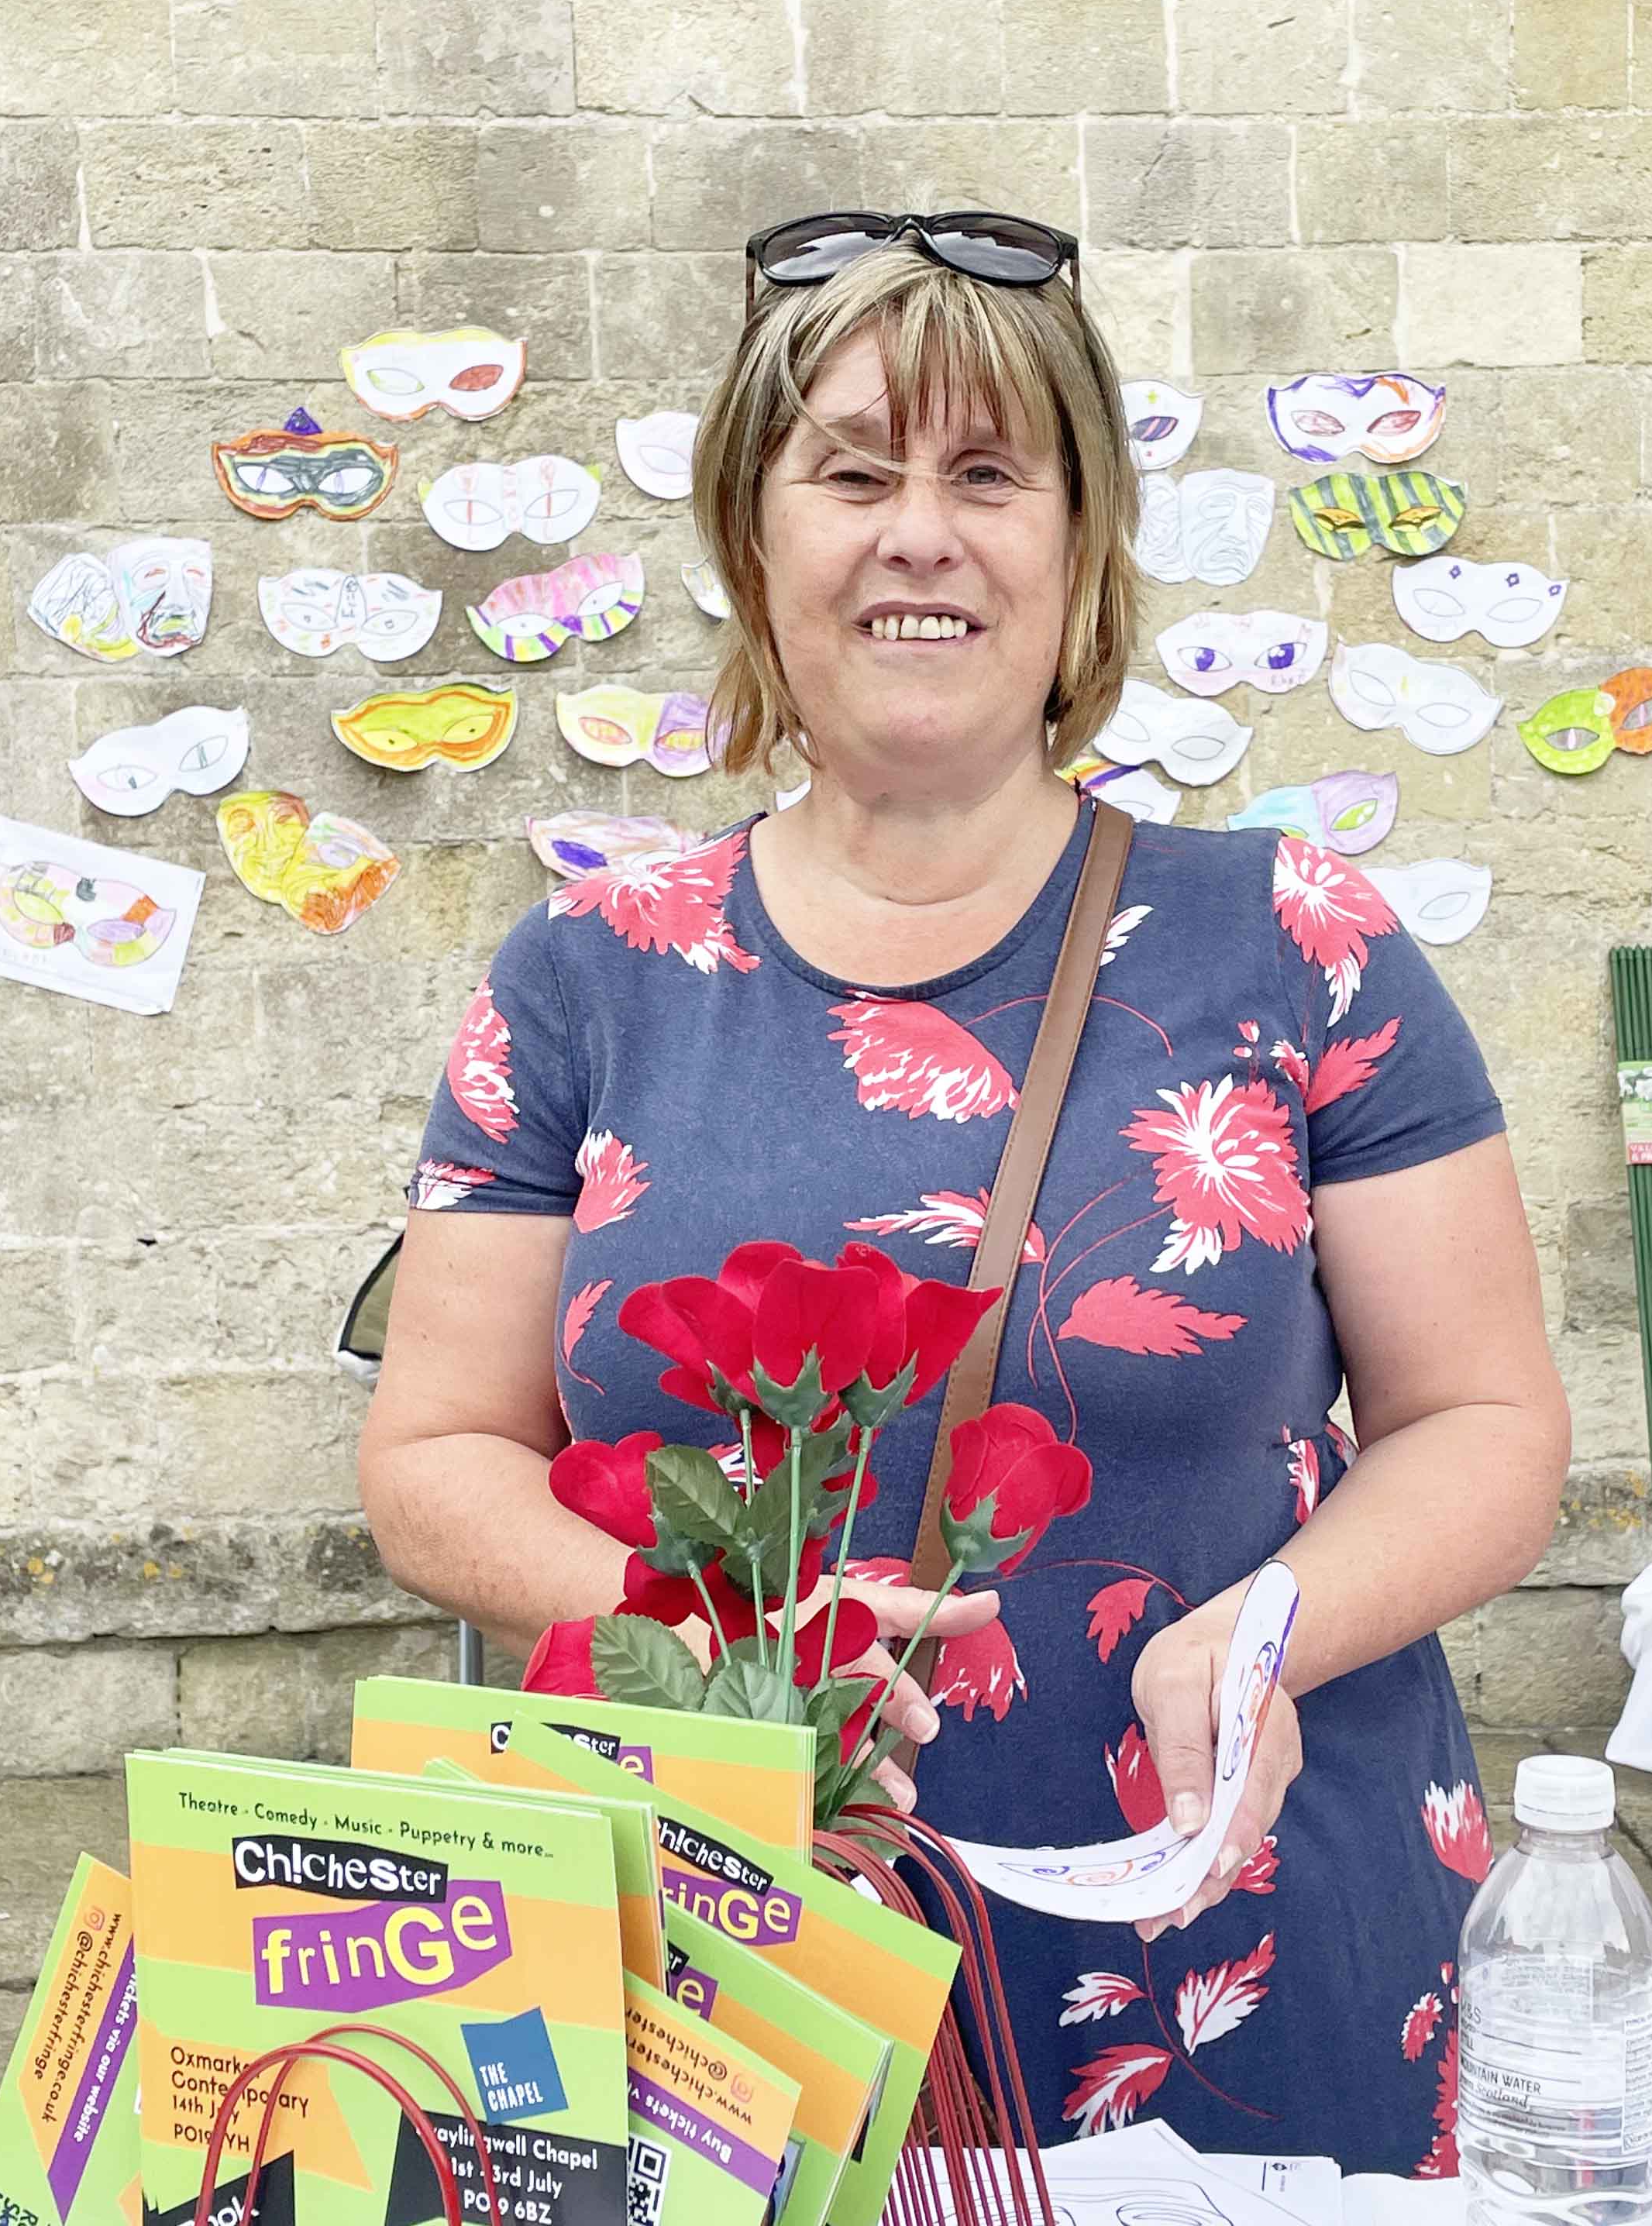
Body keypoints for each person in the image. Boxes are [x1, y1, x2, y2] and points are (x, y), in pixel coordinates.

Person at [359, 208, 1571, 2170]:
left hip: (1241, 1945)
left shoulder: (1303, 943)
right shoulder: (584, 978)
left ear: (1082, 551)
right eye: (852, 471)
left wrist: (1273, 1632)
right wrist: (721, 1646)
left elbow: (1490, 1422)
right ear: (756, 546)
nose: (920, 531)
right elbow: (434, 1457)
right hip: (725, 1967)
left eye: (991, 474)